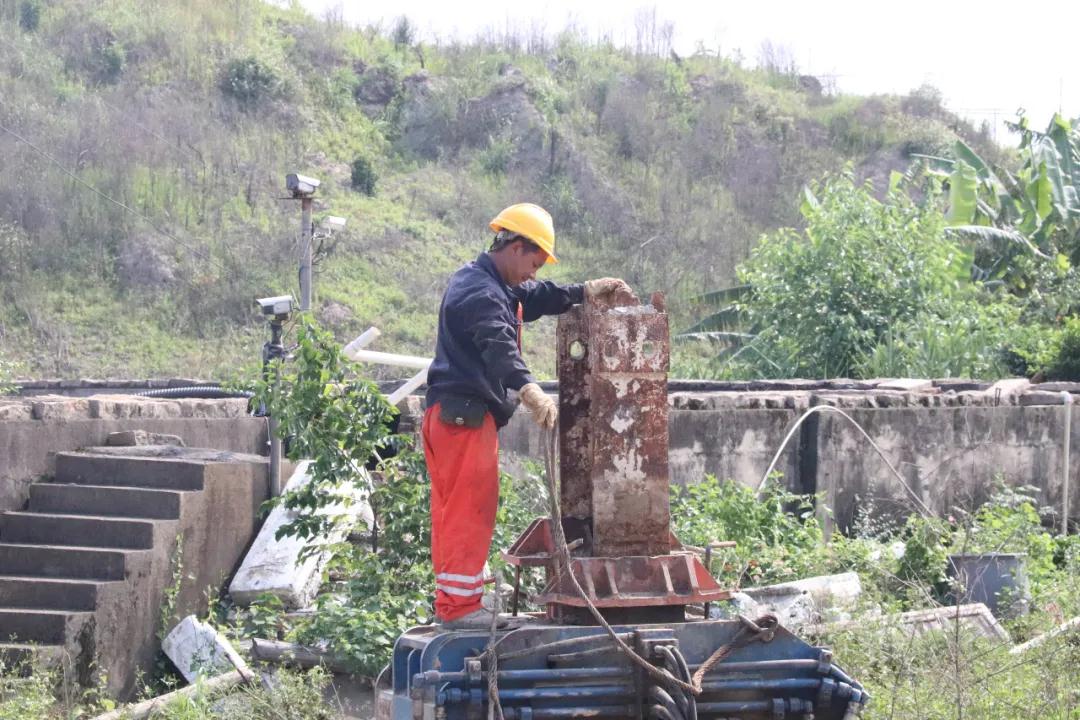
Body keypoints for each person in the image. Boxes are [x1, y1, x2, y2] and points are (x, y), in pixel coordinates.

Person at [422, 202, 630, 628]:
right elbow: (499, 347)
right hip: (463, 419)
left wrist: (584, 291)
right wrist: (530, 391)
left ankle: (455, 602)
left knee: (453, 512)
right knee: (469, 509)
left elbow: (535, 296)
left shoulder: (490, 282)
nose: (532, 272)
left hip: (452, 417)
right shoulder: (480, 294)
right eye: (532, 262)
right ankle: (461, 611)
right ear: (515, 247)